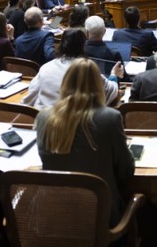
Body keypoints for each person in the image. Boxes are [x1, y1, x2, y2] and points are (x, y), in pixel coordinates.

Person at [35, 58, 134, 226]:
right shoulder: (110, 118)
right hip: (101, 220)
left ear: (65, 83)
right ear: (99, 85)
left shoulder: (44, 117)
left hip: (55, 218)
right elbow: (125, 171)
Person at [23, 28, 120, 109]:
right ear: (83, 46)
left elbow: (29, 98)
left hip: (46, 121)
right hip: (75, 122)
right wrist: (114, 75)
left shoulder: (46, 67)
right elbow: (111, 91)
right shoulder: (88, 69)